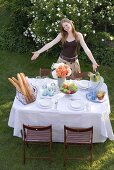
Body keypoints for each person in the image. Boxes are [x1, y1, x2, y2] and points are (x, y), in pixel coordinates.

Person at [31, 18, 99, 77]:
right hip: (62, 61)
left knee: (74, 81)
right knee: (61, 80)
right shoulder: (62, 35)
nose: (65, 28)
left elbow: (86, 49)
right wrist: (38, 52)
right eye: (64, 27)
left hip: (74, 63)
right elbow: (51, 44)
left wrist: (93, 62)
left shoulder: (78, 35)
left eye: (66, 25)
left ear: (71, 23)